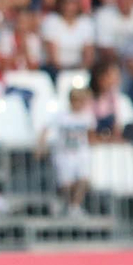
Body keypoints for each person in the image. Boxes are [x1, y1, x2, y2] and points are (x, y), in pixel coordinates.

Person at [42, 85, 95, 215]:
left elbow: (91, 134)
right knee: (66, 183)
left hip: (81, 154)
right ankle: (66, 203)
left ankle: (74, 206)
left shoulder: (87, 117)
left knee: (84, 179)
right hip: (64, 154)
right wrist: (41, 145)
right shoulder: (62, 116)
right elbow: (46, 129)